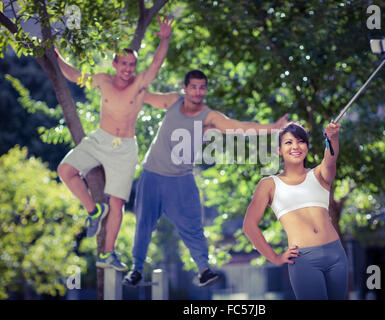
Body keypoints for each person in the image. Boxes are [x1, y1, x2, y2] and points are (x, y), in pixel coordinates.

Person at [123, 69, 291, 287]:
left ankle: (203, 270)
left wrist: (274, 128)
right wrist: (124, 79)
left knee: (193, 227)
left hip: (181, 180)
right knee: (144, 224)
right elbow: (142, 94)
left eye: (202, 87)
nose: (197, 91)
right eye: (193, 86)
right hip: (152, 175)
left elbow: (239, 128)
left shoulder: (209, 117)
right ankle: (136, 269)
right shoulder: (173, 101)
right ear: (185, 88)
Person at [56, 16, 174, 271]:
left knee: (118, 202)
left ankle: (107, 253)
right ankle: (93, 210)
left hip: (125, 147)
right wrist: (55, 55)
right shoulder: (102, 80)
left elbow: (155, 66)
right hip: (99, 139)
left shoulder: (139, 84)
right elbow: (75, 75)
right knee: (65, 171)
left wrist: (165, 39)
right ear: (115, 64)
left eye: (132, 64)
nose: (128, 69)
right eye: (124, 64)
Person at [242, 122, 349, 299]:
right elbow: (249, 226)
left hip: (336, 255)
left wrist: (333, 138)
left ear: (306, 147)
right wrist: (275, 258)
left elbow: (330, 159)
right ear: (279, 150)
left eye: (300, 141)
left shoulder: (319, 175)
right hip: (305, 260)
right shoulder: (269, 184)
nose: (295, 147)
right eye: (288, 142)